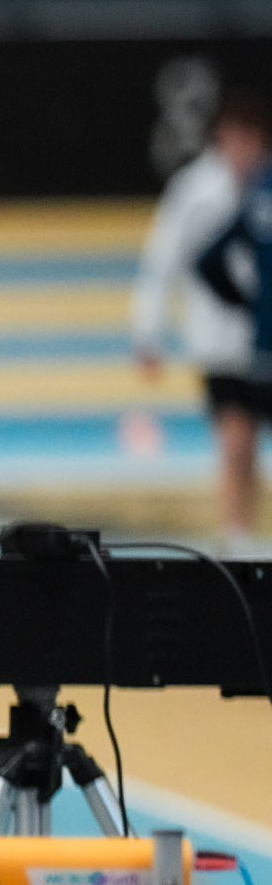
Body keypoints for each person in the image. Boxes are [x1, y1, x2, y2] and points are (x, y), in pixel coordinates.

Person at [134, 85, 272, 543]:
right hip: (217, 338)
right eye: (234, 137)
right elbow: (163, 261)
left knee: (249, 443)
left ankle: (244, 530)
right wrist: (148, 332)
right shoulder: (194, 189)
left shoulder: (266, 186)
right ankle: (237, 536)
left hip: (264, 337)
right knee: (235, 438)